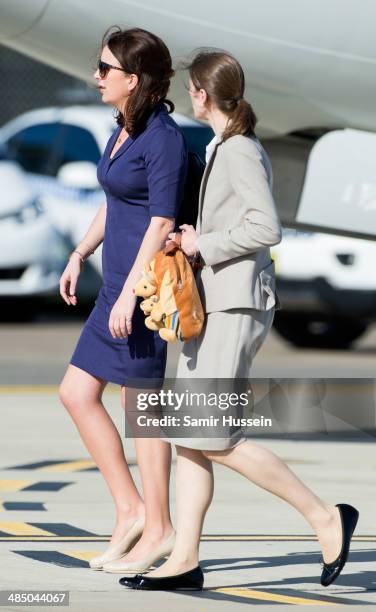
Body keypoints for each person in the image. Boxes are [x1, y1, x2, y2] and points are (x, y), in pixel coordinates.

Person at [118, 50, 359, 591]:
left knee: (217, 437)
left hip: (236, 306)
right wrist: (191, 242)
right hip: (213, 305)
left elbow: (267, 227)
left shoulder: (240, 151)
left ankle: (326, 518)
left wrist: (207, 243)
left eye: (191, 90)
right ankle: (183, 559)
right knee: (188, 433)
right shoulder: (222, 146)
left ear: (202, 95)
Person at [58, 26, 187, 574]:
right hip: (115, 285)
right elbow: (116, 202)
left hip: (144, 291)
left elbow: (160, 220)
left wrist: (132, 295)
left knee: (143, 410)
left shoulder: (162, 137)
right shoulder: (124, 129)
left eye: (105, 69)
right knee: (76, 393)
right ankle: (132, 509)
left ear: (133, 80)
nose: (96, 76)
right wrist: (79, 252)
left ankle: (156, 525)